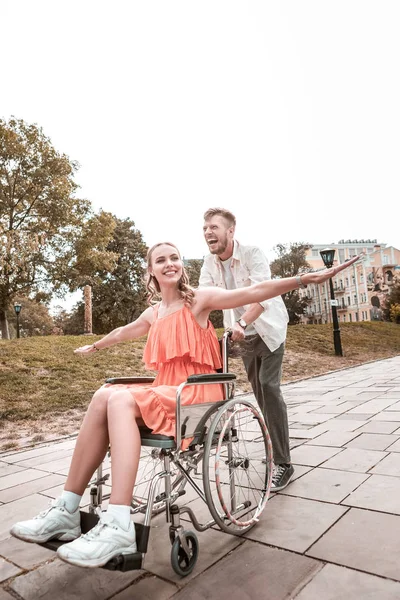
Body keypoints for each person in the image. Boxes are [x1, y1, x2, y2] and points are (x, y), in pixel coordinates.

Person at [10, 241, 360, 568]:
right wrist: (96, 346)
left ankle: (117, 525)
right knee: (104, 393)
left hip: (198, 393)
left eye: (174, 257)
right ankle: (67, 509)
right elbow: (123, 331)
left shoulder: (199, 300)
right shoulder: (154, 313)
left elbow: (252, 292)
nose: (170, 263)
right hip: (169, 390)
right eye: (160, 259)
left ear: (182, 266)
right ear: (150, 271)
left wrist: (303, 278)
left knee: (117, 399)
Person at [199, 207, 291, 491]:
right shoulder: (209, 263)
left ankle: (284, 463)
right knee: (259, 393)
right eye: (205, 228)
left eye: (214, 227)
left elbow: (266, 294)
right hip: (242, 337)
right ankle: (273, 447)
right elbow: (203, 298)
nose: (208, 232)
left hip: (268, 329)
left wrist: (241, 320)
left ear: (230, 231)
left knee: (268, 385)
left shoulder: (252, 254)